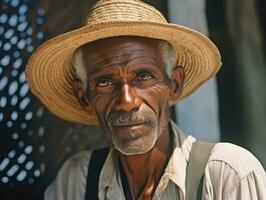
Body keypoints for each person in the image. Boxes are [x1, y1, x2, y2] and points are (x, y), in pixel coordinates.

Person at [26, 0, 266, 199]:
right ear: (84, 97)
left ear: (174, 84)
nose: (127, 101)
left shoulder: (227, 174)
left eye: (144, 76)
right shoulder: (77, 179)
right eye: (105, 82)